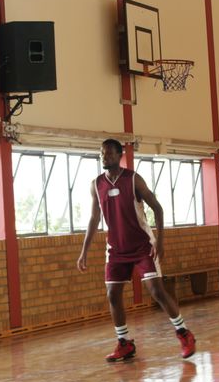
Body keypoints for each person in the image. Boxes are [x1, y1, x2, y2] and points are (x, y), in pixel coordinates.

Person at [77, 138, 197, 362]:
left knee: (156, 291)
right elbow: (94, 218)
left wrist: (160, 242)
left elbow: (158, 209)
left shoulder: (133, 179)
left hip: (142, 246)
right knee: (113, 294)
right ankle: (124, 343)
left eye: (109, 153)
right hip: (116, 249)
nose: (104, 157)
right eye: (101, 153)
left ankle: (184, 334)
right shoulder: (96, 184)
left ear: (119, 155)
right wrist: (84, 251)